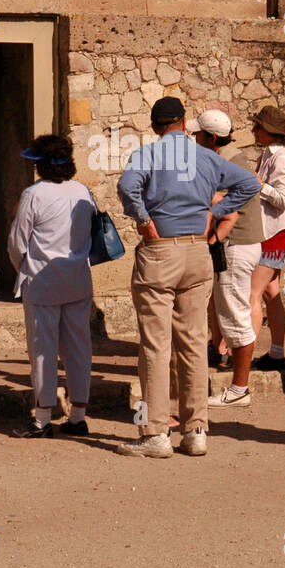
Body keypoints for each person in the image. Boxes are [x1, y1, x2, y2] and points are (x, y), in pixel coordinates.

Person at [116, 97, 261, 458]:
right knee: (194, 342)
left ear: (154, 126)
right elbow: (250, 185)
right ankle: (196, 430)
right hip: (198, 251)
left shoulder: (147, 155)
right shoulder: (207, 156)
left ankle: (155, 434)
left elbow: (126, 187)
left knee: (155, 344)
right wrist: (214, 211)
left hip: (160, 248)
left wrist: (142, 217)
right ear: (184, 124)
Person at [7, 134, 96, 438]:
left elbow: (17, 243)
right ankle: (79, 416)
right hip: (78, 280)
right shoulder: (84, 192)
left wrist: (23, 268)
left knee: (43, 348)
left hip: (43, 281)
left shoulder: (34, 194)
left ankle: (42, 418)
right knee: (79, 347)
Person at [188, 110, 265, 408]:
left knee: (235, 316)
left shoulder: (226, 162)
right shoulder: (233, 157)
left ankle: (239, 389)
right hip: (237, 245)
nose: (194, 139)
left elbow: (217, 200)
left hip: (235, 246)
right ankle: (237, 386)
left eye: (198, 135)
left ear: (211, 138)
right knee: (232, 313)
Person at [248, 105, 285, 372]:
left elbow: (282, 198)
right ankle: (277, 353)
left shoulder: (281, 160)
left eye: (258, 127)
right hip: (277, 235)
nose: (254, 131)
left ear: (269, 131)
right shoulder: (271, 156)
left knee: (252, 293)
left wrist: (258, 185)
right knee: (271, 293)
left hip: (275, 235)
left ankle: (243, 357)